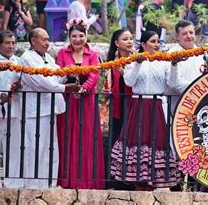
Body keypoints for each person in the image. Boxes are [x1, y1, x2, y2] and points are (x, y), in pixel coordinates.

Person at [111, 31, 179, 188]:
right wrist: (138, 63)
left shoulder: (164, 62)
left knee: (155, 143)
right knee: (138, 142)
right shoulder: (132, 61)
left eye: (158, 42)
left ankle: (152, 185)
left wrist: (174, 65)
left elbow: (173, 83)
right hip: (138, 107)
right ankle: (138, 185)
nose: (156, 45)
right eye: (153, 41)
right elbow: (128, 81)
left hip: (156, 107)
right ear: (143, 44)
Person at [20, 28, 81, 188]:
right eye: (44, 40)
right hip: (34, 110)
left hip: (49, 108)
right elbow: (41, 83)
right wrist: (66, 88)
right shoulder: (26, 59)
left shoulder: (47, 57)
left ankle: (49, 183)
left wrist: (67, 72)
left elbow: (56, 78)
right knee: (34, 148)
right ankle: (33, 186)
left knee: (50, 148)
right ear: (33, 41)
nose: (47, 43)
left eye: (48, 39)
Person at [56, 20, 105, 189]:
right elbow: (59, 72)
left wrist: (84, 89)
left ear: (86, 36)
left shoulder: (92, 54)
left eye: (81, 36)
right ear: (69, 38)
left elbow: (94, 74)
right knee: (68, 135)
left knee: (87, 137)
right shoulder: (62, 53)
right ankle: (67, 179)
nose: (78, 39)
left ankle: (88, 181)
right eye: (74, 36)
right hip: (69, 99)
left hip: (87, 100)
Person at [0, 31, 22, 188]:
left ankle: (12, 182)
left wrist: (17, 87)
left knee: (13, 147)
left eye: (13, 43)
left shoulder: (19, 62)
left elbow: (22, 83)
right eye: (7, 43)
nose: (11, 46)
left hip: (13, 111)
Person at [167, 20, 208, 112]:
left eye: (191, 32)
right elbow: (174, 83)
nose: (189, 36)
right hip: (180, 108)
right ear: (177, 37)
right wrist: (198, 89)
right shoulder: (171, 55)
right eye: (184, 34)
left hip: (203, 105)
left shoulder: (203, 53)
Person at [104, 29, 135, 144]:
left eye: (131, 39)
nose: (129, 42)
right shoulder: (112, 62)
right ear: (117, 43)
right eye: (125, 39)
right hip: (117, 105)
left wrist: (123, 72)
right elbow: (108, 85)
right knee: (116, 137)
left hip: (133, 104)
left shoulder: (137, 60)